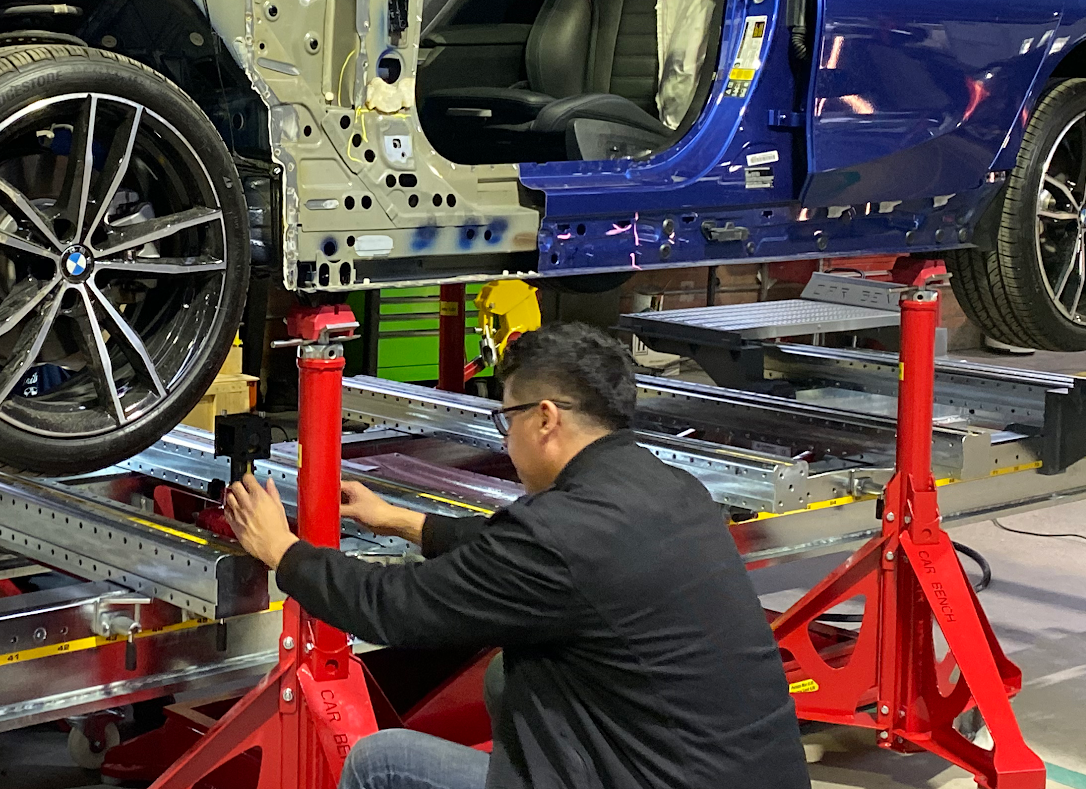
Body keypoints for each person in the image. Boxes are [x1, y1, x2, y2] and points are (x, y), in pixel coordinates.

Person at [223, 323, 809, 789]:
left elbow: (394, 608)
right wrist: (404, 521)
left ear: (546, 418)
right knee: (509, 677)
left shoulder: (559, 534)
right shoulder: (668, 487)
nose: (506, 439)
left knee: (381, 763)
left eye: (507, 418)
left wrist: (284, 552)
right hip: (741, 770)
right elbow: (524, 556)